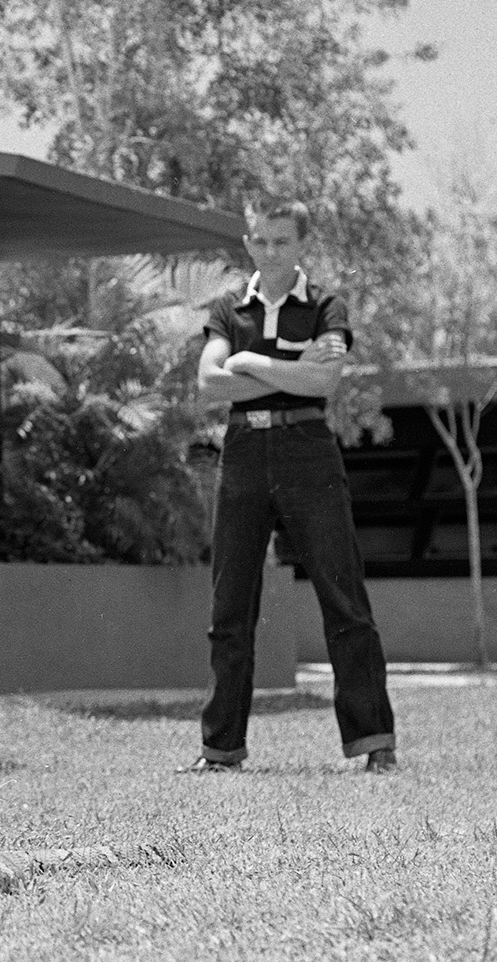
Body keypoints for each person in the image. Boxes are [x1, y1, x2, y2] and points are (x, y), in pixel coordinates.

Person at [187, 199, 396, 774]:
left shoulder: (328, 307)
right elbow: (209, 383)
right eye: (261, 240)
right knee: (230, 603)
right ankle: (220, 749)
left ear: (301, 244)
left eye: (282, 240)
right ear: (248, 243)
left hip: (308, 450)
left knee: (342, 595)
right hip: (244, 454)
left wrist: (249, 364)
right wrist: (284, 368)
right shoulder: (228, 309)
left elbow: (325, 380)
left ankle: (374, 740)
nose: (271, 251)